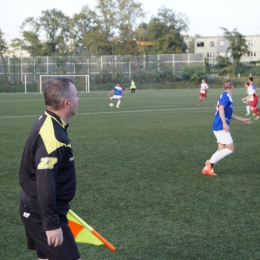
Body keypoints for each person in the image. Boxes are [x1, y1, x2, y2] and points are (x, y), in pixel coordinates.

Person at [19, 77, 81, 260]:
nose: (79, 99)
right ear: (66, 102)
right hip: (42, 213)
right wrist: (52, 224)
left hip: (37, 208)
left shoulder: (49, 121)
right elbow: (45, 183)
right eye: (77, 96)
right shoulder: (52, 136)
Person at [202, 79, 252, 177]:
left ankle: (207, 169)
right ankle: (210, 163)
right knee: (230, 148)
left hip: (218, 125)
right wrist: (224, 123)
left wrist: (242, 120)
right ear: (232, 87)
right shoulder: (226, 96)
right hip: (220, 125)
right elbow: (221, 107)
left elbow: (229, 113)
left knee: (222, 148)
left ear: (223, 87)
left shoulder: (226, 96)